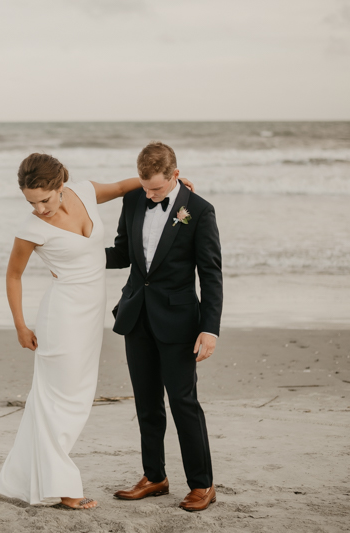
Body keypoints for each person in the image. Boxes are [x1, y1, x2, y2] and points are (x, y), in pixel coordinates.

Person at [0, 152, 195, 510]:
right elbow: (13, 275)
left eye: (45, 199)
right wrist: (20, 326)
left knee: (77, 397)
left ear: (61, 186)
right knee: (61, 401)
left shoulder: (84, 192)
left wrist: (173, 188)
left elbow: (121, 186)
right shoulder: (31, 228)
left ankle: (34, 477)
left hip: (90, 317)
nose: (39, 208)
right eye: (31, 202)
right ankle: (63, 487)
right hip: (62, 317)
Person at [106, 142, 222, 512]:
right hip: (136, 316)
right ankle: (154, 476)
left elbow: (211, 274)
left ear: (175, 175)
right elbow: (123, 253)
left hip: (179, 322)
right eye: (145, 187)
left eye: (156, 188)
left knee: (184, 403)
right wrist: (80, 256)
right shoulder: (133, 201)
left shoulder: (200, 211)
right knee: (146, 404)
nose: (149, 194)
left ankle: (202, 484)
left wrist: (210, 329)